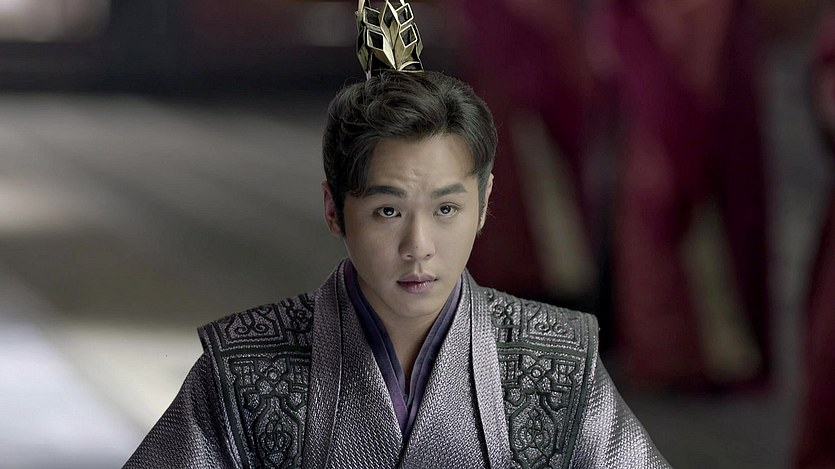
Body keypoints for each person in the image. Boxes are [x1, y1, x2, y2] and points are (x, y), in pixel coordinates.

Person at [123, 1, 670, 467]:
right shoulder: (243, 367)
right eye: (388, 211)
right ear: (334, 209)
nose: (419, 247)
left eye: (446, 209)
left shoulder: (559, 359)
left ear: (484, 205)